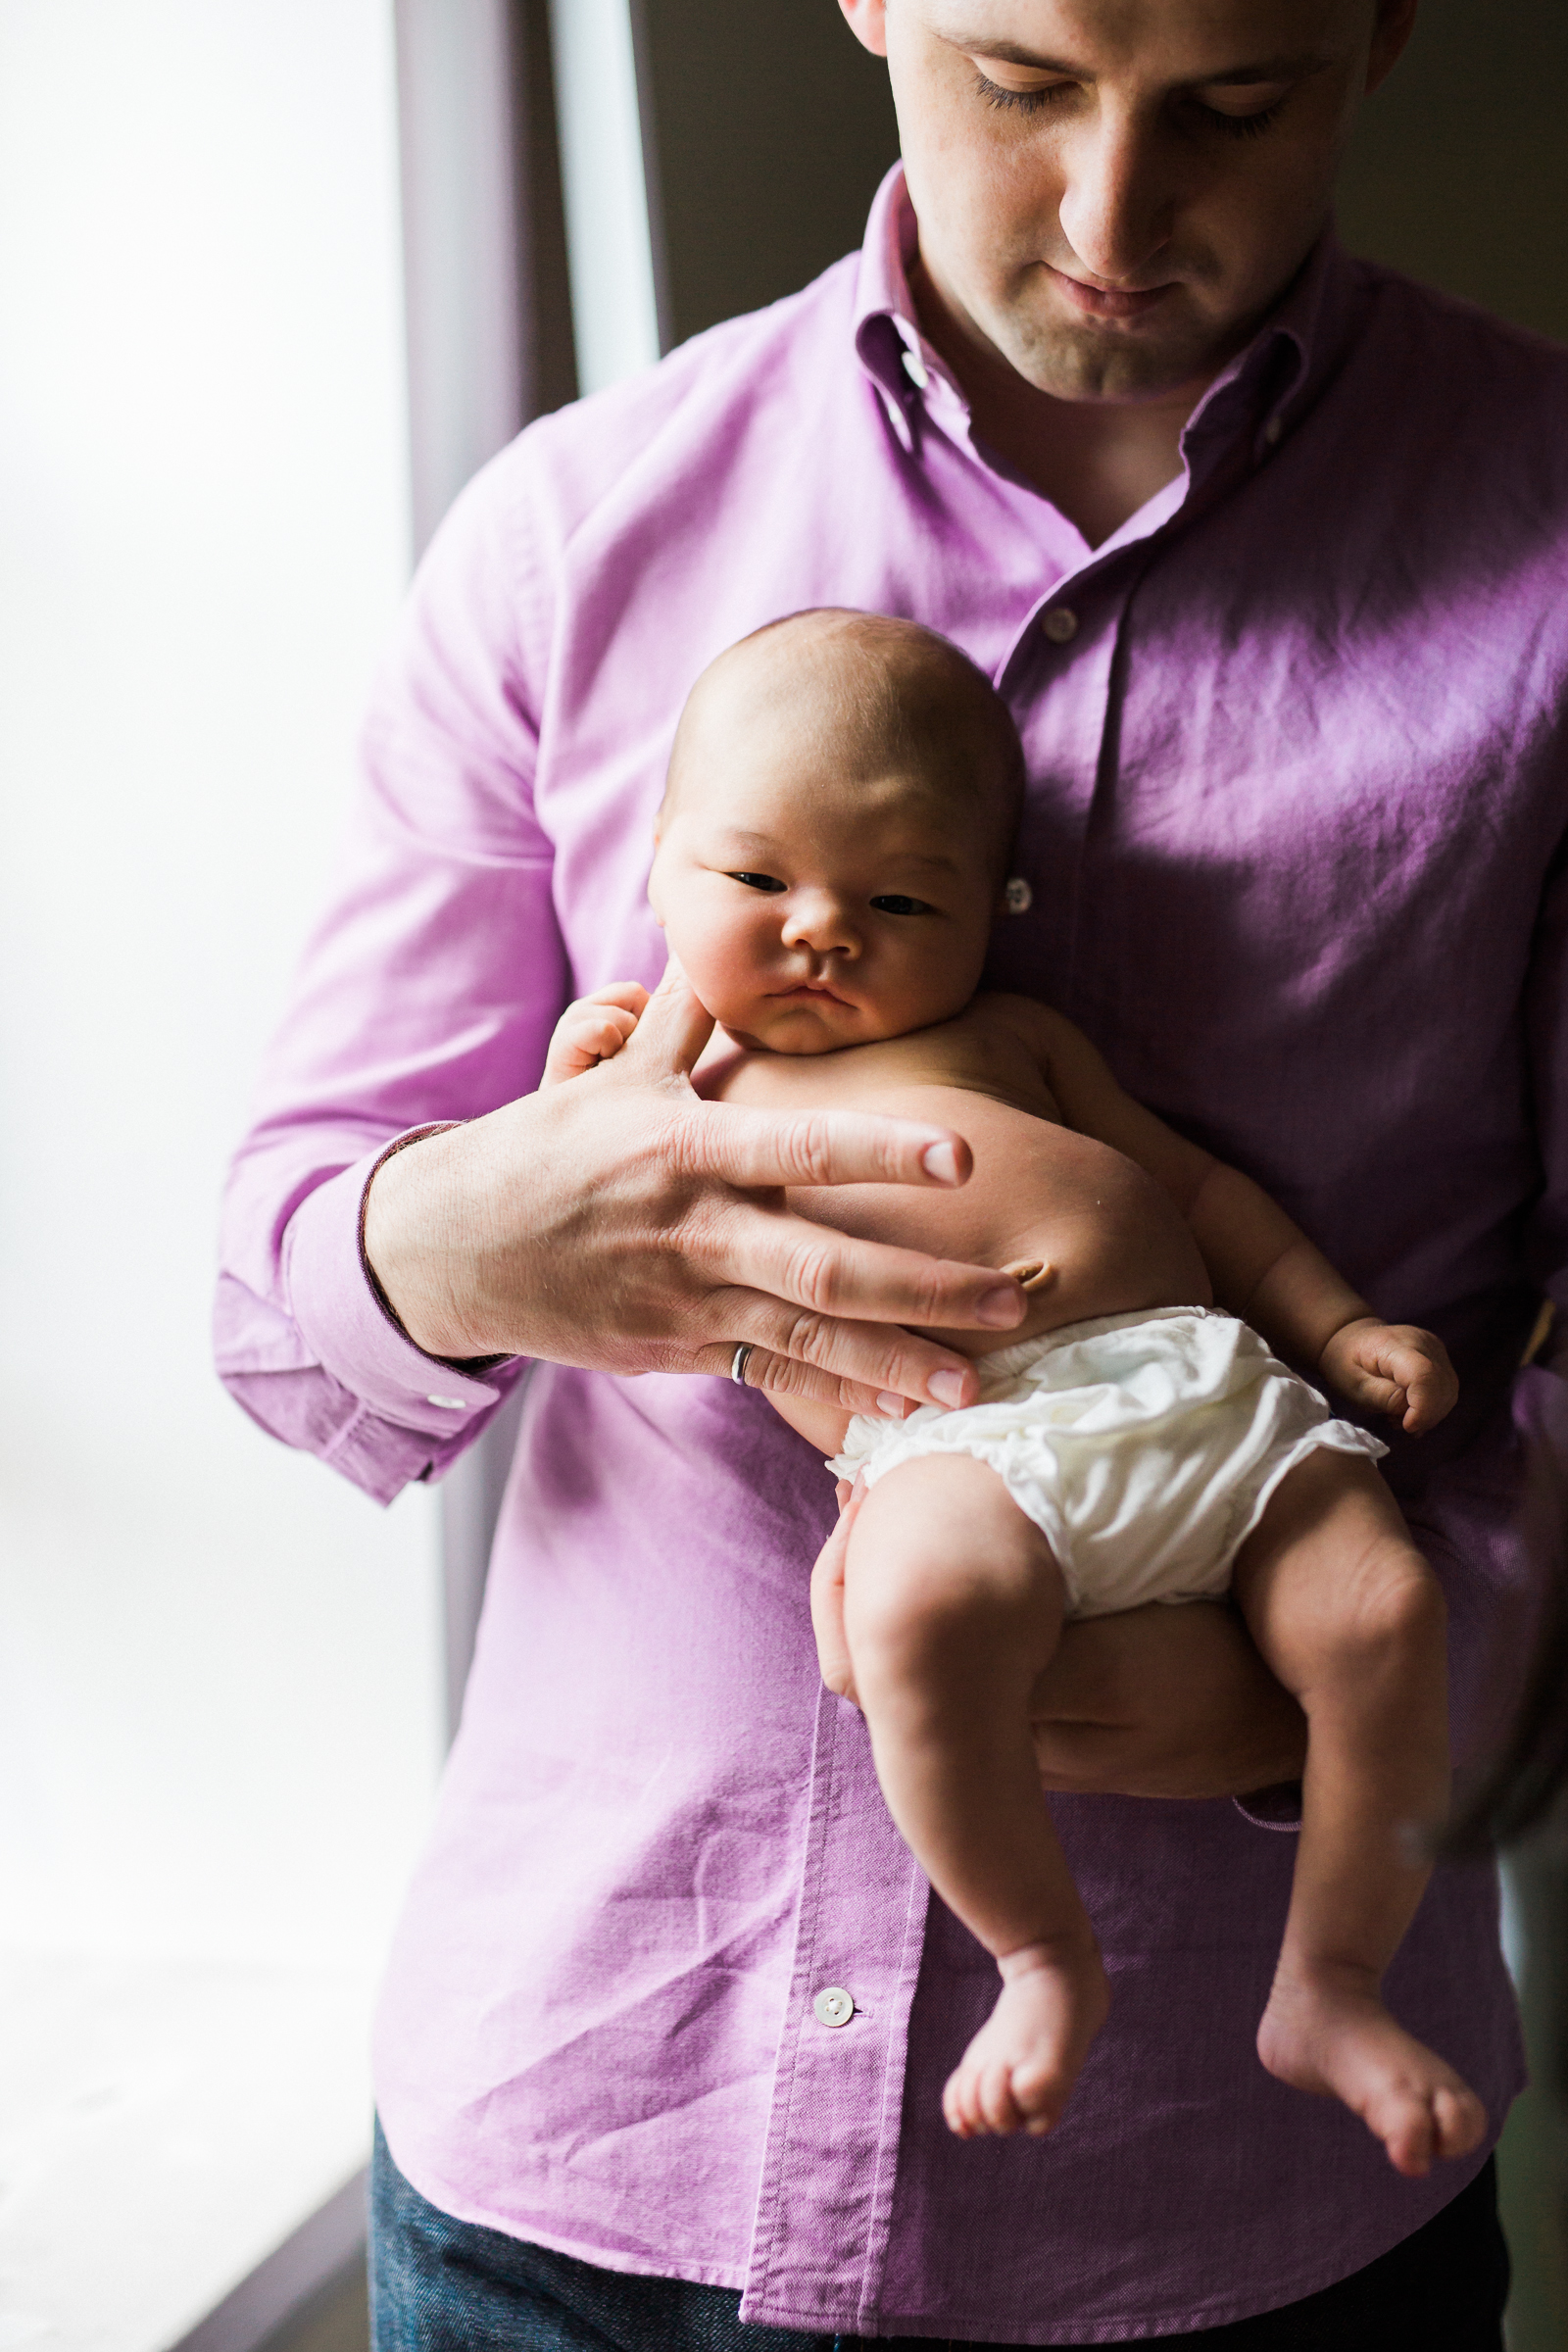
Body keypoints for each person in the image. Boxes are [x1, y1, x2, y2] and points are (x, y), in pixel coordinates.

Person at [215, 0, 1568, 2340]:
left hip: (1233, 2213)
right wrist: (474, 1235)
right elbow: (281, 1302)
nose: (1108, 216)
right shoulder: (568, 529)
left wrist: (1370, 1669)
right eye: (1021, 79)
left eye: (1227, 104)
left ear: (1377, 31)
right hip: (582, 2157)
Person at [545, 604, 1482, 2173]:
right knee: (917, 1616)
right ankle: (1042, 1959)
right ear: (656, 861)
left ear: (996, 907)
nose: (824, 928)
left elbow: (1203, 1194)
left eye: (901, 894)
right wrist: (577, 1099)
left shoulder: (1018, 1040)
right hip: (958, 1442)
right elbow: (582, 1248)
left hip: (1201, 1391)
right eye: (756, 878)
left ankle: (1330, 1984)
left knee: (1385, 1615)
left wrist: (1338, 1328)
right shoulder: (674, 1085)